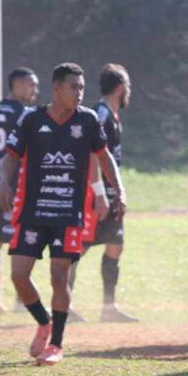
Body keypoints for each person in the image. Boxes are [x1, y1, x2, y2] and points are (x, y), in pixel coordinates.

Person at [0, 63, 126, 366]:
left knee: (59, 276)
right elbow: (11, 156)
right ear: (57, 88)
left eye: (81, 88)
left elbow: (103, 157)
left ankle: (56, 345)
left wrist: (118, 191)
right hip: (32, 209)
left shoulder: (88, 120)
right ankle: (44, 322)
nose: (79, 93)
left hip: (68, 211)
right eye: (73, 87)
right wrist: (4, 181)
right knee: (19, 275)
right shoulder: (32, 120)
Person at [72, 64, 138, 323]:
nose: (129, 91)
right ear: (120, 88)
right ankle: (62, 305)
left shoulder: (111, 114)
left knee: (115, 245)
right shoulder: (101, 114)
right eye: (128, 86)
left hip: (111, 193)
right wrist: (99, 193)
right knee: (80, 246)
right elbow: (92, 155)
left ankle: (109, 308)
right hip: (95, 193)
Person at [0, 67, 38, 313]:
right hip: (14, 183)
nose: (35, 90)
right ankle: (21, 301)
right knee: (18, 239)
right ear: (19, 84)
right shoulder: (25, 114)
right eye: (32, 85)